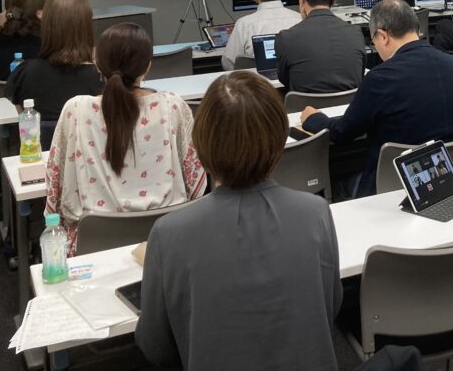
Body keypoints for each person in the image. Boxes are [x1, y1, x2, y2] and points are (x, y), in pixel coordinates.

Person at [136, 72, 340, 371]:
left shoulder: (169, 233)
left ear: (200, 142)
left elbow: (155, 346)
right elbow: (328, 308)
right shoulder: (316, 213)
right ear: (278, 139)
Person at [45, 23, 206, 255]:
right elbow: (195, 182)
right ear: (148, 66)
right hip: (168, 243)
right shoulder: (172, 106)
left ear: (97, 64)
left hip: (94, 248)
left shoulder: (76, 110)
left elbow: (55, 186)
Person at [301, 0, 453, 196]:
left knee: (335, 182)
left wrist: (314, 119)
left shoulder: (380, 78)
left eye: (373, 41)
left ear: (383, 36)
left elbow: (342, 133)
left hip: (396, 188)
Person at [7, 0, 103, 149]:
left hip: (39, 159)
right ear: (87, 27)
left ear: (46, 26)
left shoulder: (24, 73)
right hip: (88, 159)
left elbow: (25, 125)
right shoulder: (100, 77)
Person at [275, 0, 365, 93]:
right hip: (348, 105)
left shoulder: (286, 38)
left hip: (303, 105)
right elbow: (359, 75)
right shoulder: (355, 33)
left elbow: (285, 80)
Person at [221, 0, 300, 70]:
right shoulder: (300, 19)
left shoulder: (244, 25)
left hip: (254, 80)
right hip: (293, 80)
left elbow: (229, 63)